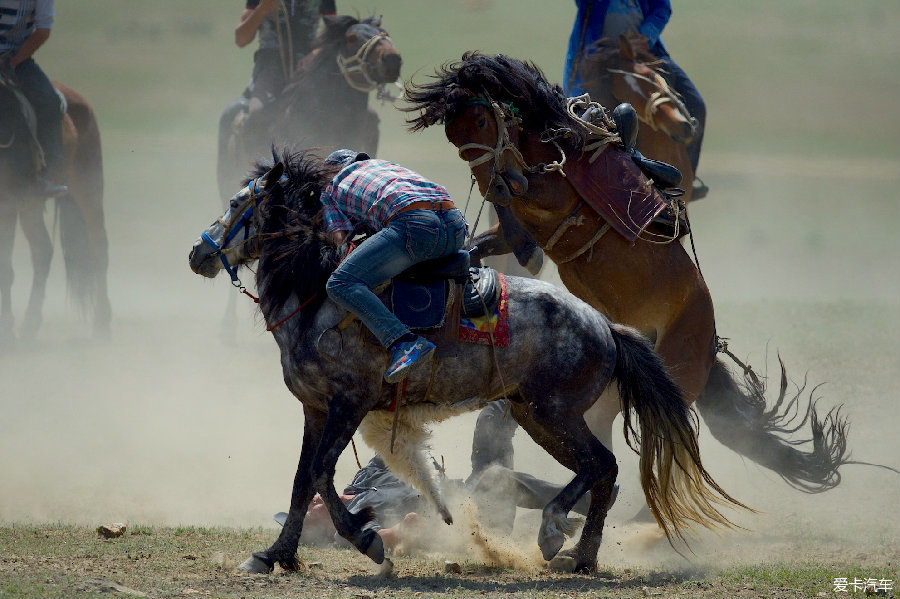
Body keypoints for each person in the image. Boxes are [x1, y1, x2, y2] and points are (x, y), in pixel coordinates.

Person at [320, 149, 467, 383]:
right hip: (456, 227)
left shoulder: (331, 186)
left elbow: (339, 238)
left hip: (414, 225)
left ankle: (403, 343)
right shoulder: (387, 167)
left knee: (340, 283)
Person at [563, 0, 707, 182]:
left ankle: (688, 178)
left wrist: (646, 36)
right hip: (597, 58)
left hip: (643, 52)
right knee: (580, 116)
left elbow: (661, 8)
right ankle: (573, 179)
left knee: (696, 105)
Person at [234, 0, 336, 143]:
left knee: (330, 115)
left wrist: (315, 54)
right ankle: (254, 163)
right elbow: (241, 39)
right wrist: (261, 10)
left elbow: (334, 35)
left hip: (308, 68)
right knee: (257, 114)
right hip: (269, 65)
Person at [0, 0, 67, 197]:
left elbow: (43, 30)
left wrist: (14, 61)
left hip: (15, 58)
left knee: (48, 100)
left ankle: (50, 173)